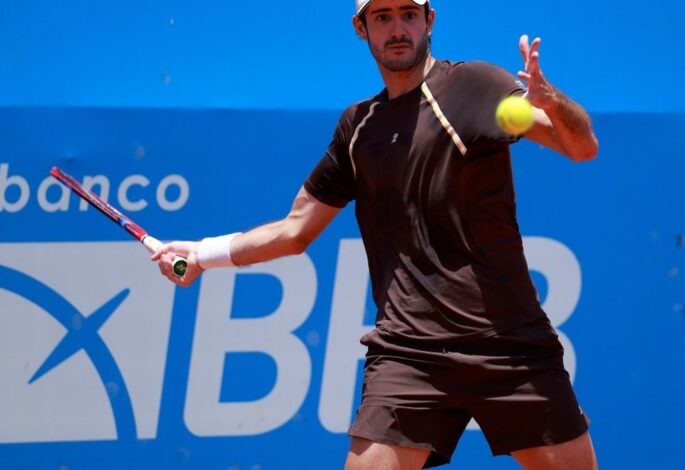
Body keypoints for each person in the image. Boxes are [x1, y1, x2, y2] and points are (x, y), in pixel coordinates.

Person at [153, 0, 599, 468]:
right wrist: (203, 254)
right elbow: (295, 230)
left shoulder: (476, 85)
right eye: (382, 17)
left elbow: (581, 146)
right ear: (360, 28)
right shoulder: (358, 128)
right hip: (410, 353)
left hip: (508, 342)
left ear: (429, 20)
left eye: (409, 14)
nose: (398, 28)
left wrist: (553, 102)